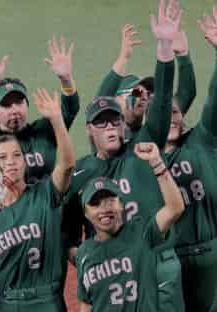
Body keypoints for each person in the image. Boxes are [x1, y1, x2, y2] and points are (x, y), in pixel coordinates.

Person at [66, 1, 185, 310]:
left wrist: (164, 50)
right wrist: (86, 257)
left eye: (115, 120)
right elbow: (68, 225)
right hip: (114, 267)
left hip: (159, 262)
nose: (110, 126)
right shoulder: (82, 172)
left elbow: (159, 107)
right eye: (101, 122)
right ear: (90, 130)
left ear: (123, 125)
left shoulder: (142, 147)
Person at [0, 87, 75, 312]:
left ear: (25, 162)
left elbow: (67, 165)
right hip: (4, 303)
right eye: (2, 157)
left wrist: (57, 120)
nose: (11, 161)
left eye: (17, 155)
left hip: (45, 302)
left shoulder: (45, 194)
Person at [76, 142, 184, 311]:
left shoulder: (142, 232)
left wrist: (157, 164)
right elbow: (86, 303)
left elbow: (175, 208)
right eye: (95, 204)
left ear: (121, 205)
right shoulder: (84, 252)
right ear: (86, 214)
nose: (105, 209)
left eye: (110, 201)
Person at [163, 6, 217, 310]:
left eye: (175, 111)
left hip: (212, 253)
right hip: (171, 259)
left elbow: (214, 96)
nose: (171, 117)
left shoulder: (203, 138)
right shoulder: (144, 156)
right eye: (163, 113)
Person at [0, 37, 79, 183]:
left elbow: (70, 108)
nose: (14, 109)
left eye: (19, 102)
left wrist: (66, 79)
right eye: (6, 105)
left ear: (27, 105)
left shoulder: (44, 130)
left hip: (44, 203)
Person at [96, 2, 196, 140]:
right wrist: (123, 58)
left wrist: (182, 55)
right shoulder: (109, 136)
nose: (145, 97)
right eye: (136, 92)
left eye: (150, 94)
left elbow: (186, 93)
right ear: (118, 101)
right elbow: (100, 103)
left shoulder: (157, 129)